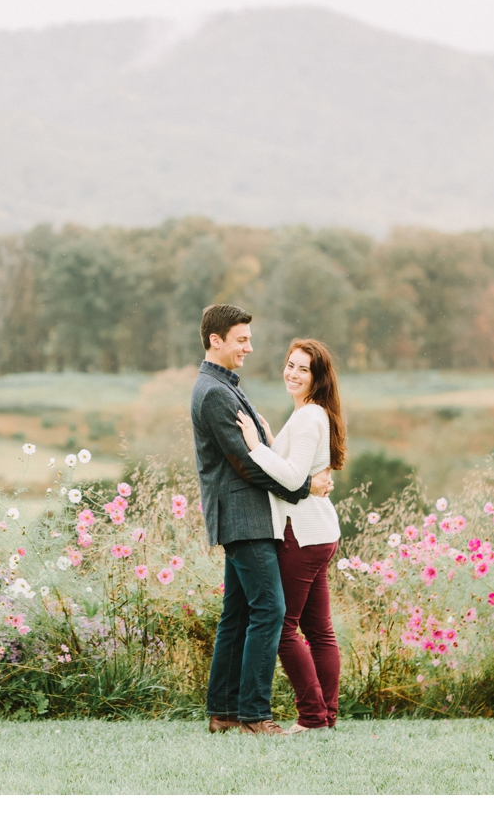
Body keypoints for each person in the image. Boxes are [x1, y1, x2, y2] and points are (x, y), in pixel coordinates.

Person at [191, 304, 333, 737]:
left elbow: (256, 453)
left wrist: (269, 443)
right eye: (242, 340)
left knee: (236, 615)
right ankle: (254, 715)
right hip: (245, 517)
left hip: (247, 516)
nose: (250, 347)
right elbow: (245, 466)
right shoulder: (214, 392)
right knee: (270, 610)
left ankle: (224, 712)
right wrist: (305, 487)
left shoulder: (222, 386)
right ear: (216, 340)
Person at [234, 338, 346, 732]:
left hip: (302, 534)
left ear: (317, 378)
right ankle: (325, 716)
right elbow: (295, 465)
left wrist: (253, 446)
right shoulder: (308, 415)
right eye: (290, 365)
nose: (293, 374)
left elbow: (292, 477)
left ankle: (313, 717)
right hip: (319, 532)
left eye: (303, 369)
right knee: (318, 631)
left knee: (282, 628)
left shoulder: (308, 417)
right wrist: (267, 435)